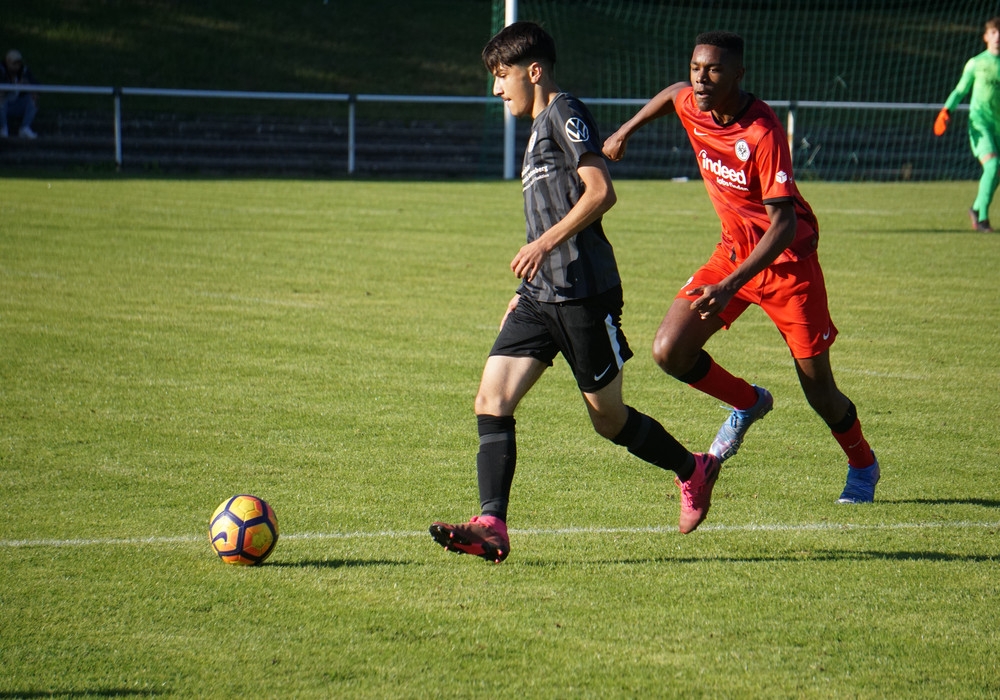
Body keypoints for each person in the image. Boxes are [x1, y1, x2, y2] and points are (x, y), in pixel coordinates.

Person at [429, 21, 721, 564]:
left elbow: (601, 191)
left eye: (502, 76)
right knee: (491, 401)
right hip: (541, 296)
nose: (496, 89)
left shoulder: (565, 113)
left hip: (585, 295)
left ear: (533, 71)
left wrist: (542, 244)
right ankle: (492, 524)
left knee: (607, 419)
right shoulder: (536, 130)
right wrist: (526, 285)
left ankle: (693, 468)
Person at [602, 30, 880, 505]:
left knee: (820, 393)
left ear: (738, 75)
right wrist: (625, 131)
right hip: (732, 253)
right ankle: (748, 401)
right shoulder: (693, 103)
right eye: (695, 68)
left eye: (712, 70)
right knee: (670, 351)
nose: (700, 79)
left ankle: (863, 466)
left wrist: (732, 286)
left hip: (786, 268)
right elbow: (672, 96)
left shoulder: (763, 132)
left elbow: (784, 226)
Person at [934, 16, 1000, 232]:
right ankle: (982, 218)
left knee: (995, 171)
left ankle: (976, 208)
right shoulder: (977, 63)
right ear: (986, 37)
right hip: (980, 124)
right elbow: (960, 90)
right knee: (992, 166)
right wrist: (946, 111)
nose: (997, 36)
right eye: (993, 32)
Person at [0, 49, 39, 139]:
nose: (17, 66)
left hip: (17, 104)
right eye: (14, 63)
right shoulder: (1, 71)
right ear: (7, 62)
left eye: (18, 63)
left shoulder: (24, 71)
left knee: (32, 100)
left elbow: (36, 85)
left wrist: (31, 88)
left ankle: (25, 127)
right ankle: (3, 128)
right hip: (4, 104)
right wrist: (11, 86)